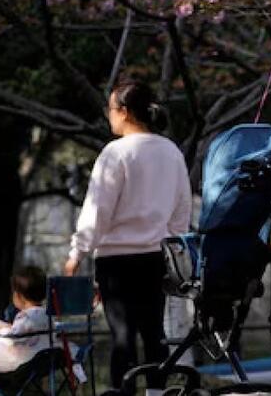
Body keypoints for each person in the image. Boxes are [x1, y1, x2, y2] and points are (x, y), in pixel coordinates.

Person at [64, 78, 192, 395]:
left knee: (123, 334)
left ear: (123, 111)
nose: (108, 116)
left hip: (116, 261)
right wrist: (173, 242)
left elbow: (97, 210)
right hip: (156, 257)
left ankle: (124, 392)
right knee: (154, 332)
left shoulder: (115, 153)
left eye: (110, 109)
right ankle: (157, 392)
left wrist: (77, 252)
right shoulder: (171, 151)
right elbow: (182, 208)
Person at [0, 266, 51, 376]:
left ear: (18, 296)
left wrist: (3, 330)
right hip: (41, 360)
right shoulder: (47, 315)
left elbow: (12, 339)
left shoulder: (25, 317)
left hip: (21, 361)